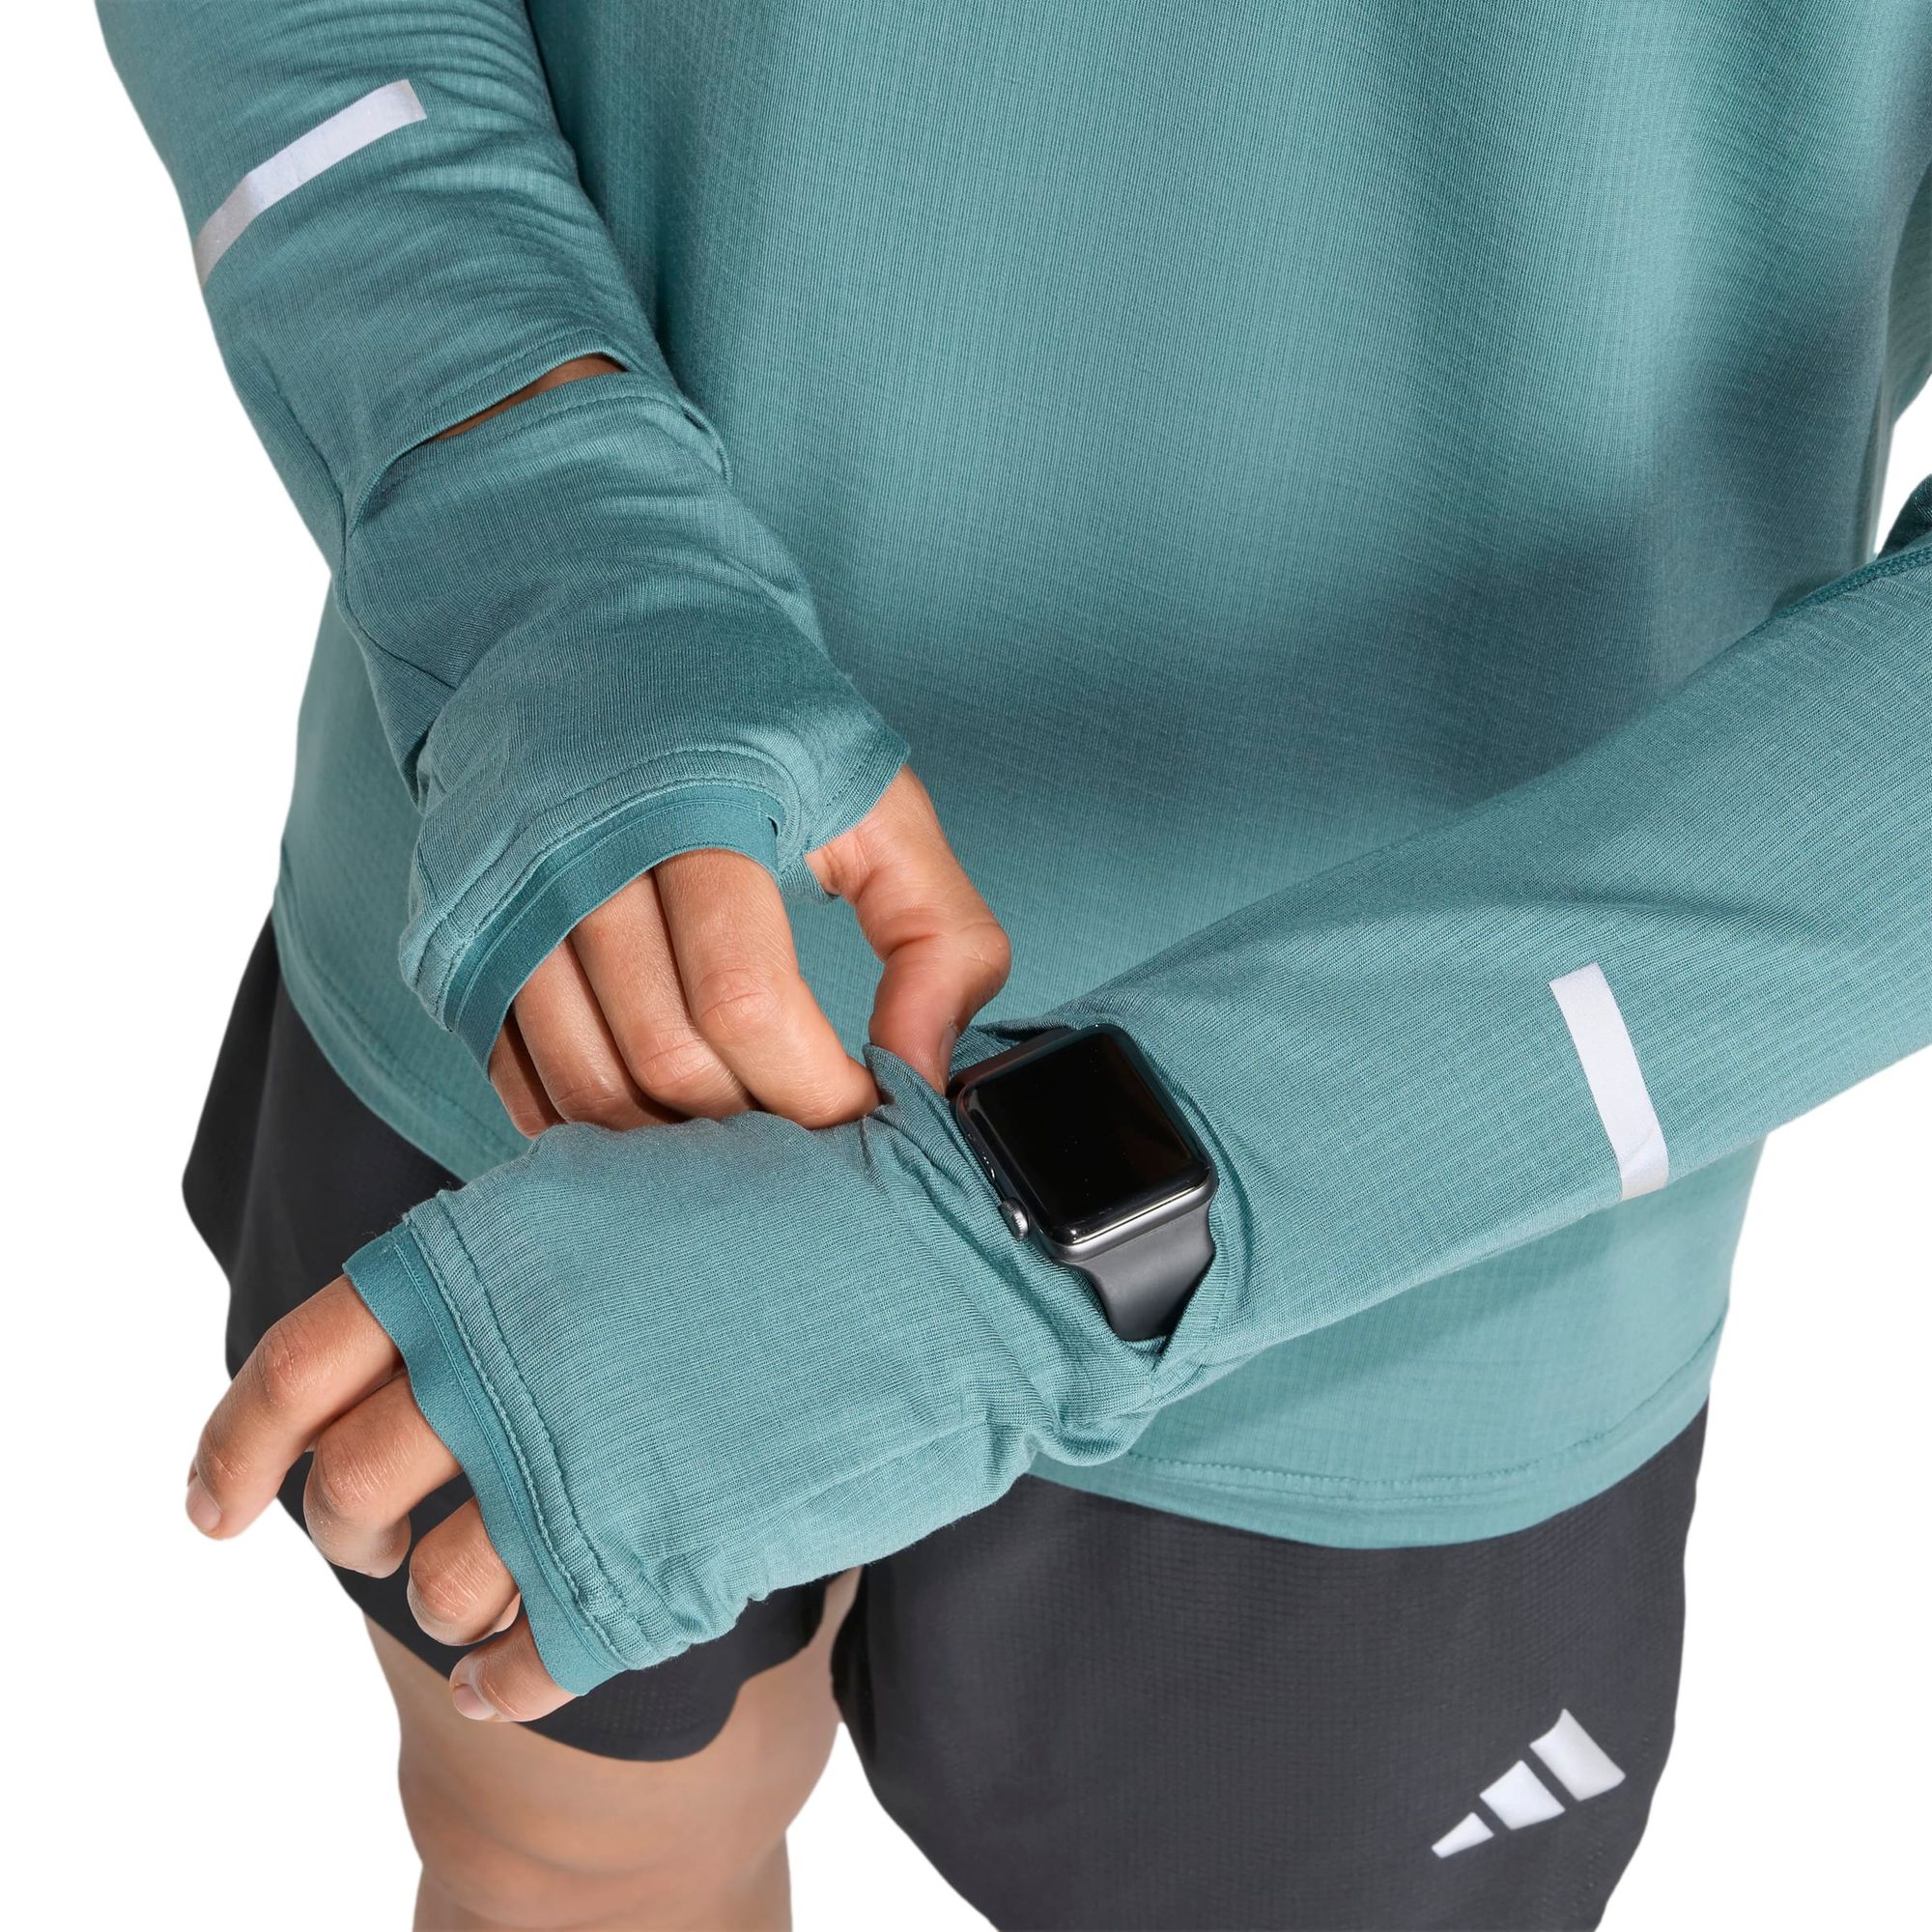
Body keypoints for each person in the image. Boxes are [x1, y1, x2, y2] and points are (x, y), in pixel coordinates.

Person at [102, 5, 1929, 1928]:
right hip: (572, 927)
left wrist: (1007, 1254)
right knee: (558, 1849)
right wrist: (530, 519)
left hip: (1425, 1228)